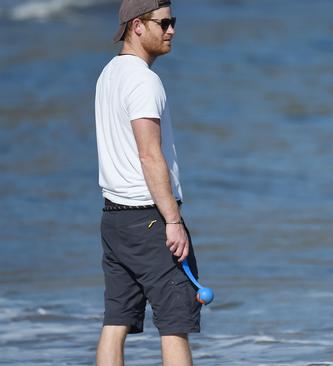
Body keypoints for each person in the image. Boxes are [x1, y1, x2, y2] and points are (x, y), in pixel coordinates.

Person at [94, 1, 201, 365]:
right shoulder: (143, 80)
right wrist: (172, 221)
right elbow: (149, 154)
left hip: (114, 220)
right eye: (164, 22)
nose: (171, 30)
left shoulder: (108, 75)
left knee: (116, 320)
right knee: (175, 320)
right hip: (149, 219)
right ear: (137, 26)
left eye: (174, 22)